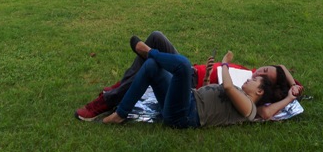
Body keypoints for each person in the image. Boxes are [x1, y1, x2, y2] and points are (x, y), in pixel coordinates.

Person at [94, 33, 299, 127]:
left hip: (184, 114)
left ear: (260, 92)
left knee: (182, 65)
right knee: (152, 67)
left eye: (255, 80)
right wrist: (209, 74)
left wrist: (225, 63)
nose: (251, 78)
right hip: (182, 103)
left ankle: (148, 51)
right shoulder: (240, 92)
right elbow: (211, 92)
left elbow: (227, 87)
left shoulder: (249, 109)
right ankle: (121, 113)